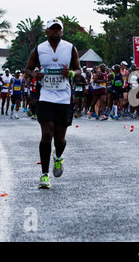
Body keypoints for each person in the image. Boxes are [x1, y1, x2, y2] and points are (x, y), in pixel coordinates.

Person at [24, 18, 81, 189]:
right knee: (46, 134)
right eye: (52, 29)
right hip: (46, 97)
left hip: (64, 98)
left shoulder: (70, 48)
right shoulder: (39, 49)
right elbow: (27, 69)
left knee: (60, 139)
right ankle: (44, 175)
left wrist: (70, 73)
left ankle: (58, 157)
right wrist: (34, 75)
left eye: (58, 29)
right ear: (47, 31)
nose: (55, 32)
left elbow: (78, 71)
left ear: (62, 32)